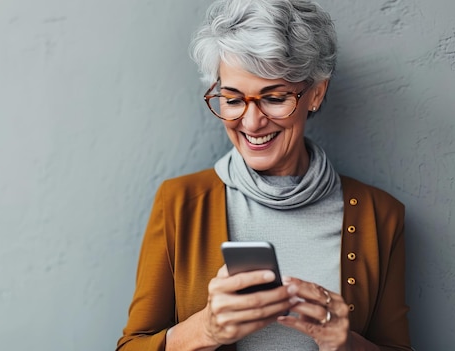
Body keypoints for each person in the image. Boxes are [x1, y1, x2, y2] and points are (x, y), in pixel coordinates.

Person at [116, 0, 411, 350]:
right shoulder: (179, 203)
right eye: (233, 99)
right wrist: (205, 331)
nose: (252, 122)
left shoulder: (381, 215)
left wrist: (345, 343)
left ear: (316, 93)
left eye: (274, 98)